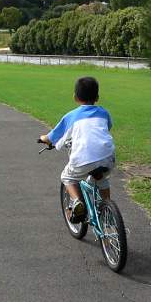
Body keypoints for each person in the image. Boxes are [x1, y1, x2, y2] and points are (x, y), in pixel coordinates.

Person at [39, 76, 115, 222]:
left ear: (75, 97)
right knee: (101, 178)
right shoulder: (104, 113)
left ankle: (76, 201)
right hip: (108, 157)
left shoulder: (71, 116)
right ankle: (107, 209)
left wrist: (43, 139)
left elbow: (51, 137)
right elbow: (107, 127)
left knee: (67, 177)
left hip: (83, 159)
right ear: (97, 97)